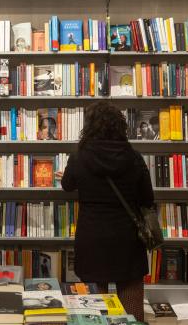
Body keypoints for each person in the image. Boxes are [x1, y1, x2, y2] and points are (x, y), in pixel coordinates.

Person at [58, 102, 154, 321]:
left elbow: (67, 185)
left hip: (92, 238)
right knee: (131, 312)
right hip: (127, 239)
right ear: (120, 126)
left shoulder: (79, 157)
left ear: (89, 126)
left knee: (95, 311)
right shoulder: (134, 158)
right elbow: (147, 198)